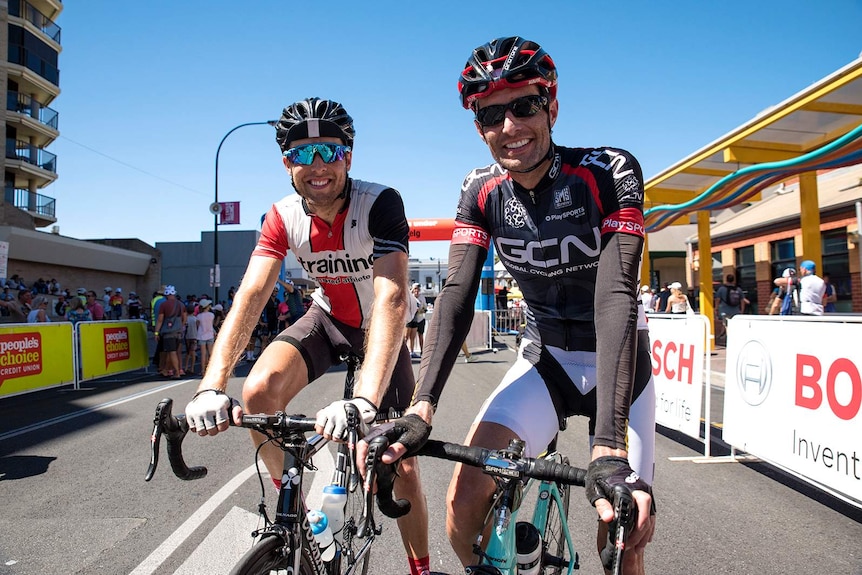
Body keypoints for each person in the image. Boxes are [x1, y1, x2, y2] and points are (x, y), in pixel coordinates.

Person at [378, 37, 655, 575]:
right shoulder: (480, 190)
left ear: (552, 105)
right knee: (462, 507)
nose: (509, 126)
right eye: (490, 115)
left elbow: (616, 293)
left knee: (621, 535)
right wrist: (420, 405)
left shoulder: (608, 172)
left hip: (618, 361)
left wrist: (607, 445)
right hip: (545, 360)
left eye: (524, 106)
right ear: (477, 125)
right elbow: (456, 293)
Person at [182, 97, 430, 575]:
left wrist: (364, 401)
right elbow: (252, 295)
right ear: (286, 163)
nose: (316, 166)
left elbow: (392, 299)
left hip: (381, 328)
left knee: (398, 463)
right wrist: (211, 386)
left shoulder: (380, 202)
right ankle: (292, 515)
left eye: (328, 152)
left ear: (349, 157)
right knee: (256, 392)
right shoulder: (280, 215)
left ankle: (419, 566)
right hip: (329, 319)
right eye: (302, 155)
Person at [154, 285, 187, 379]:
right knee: (174, 351)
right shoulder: (181, 304)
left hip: (168, 332)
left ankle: (176, 372)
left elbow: (160, 320)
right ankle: (166, 370)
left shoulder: (164, 305)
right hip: (179, 332)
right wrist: (181, 326)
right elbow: (185, 318)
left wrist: (156, 332)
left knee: (171, 352)